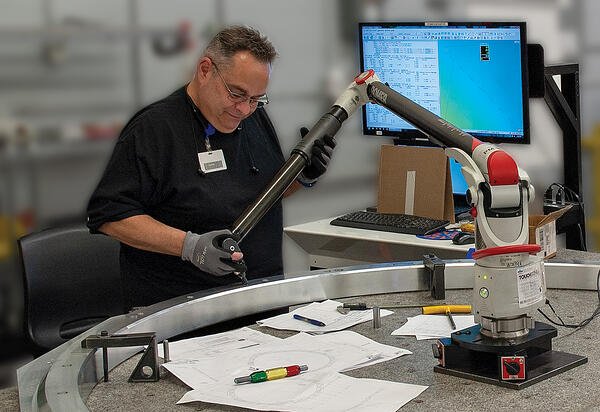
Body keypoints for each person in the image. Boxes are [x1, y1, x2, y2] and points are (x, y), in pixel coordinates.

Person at [87, 25, 335, 310]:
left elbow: (263, 194)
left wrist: (302, 175)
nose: (244, 109)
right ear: (205, 70)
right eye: (236, 94)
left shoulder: (253, 118)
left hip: (261, 303)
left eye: (256, 99)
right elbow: (110, 215)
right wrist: (189, 247)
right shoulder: (154, 129)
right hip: (184, 316)